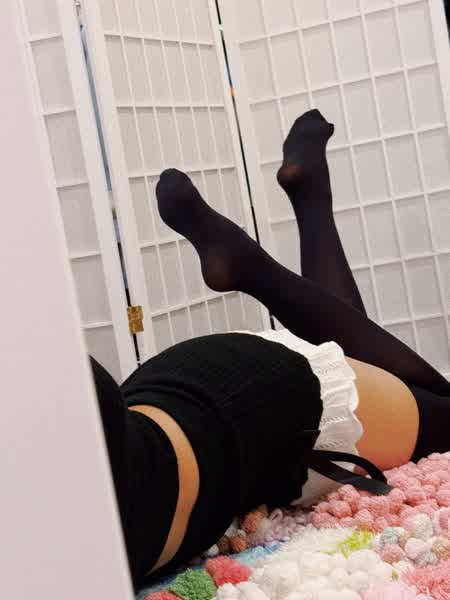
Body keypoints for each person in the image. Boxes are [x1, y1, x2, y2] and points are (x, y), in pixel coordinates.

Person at [91, 110, 450, 587]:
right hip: (186, 392)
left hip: (251, 407)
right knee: (415, 389)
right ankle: (295, 215)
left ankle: (260, 253)